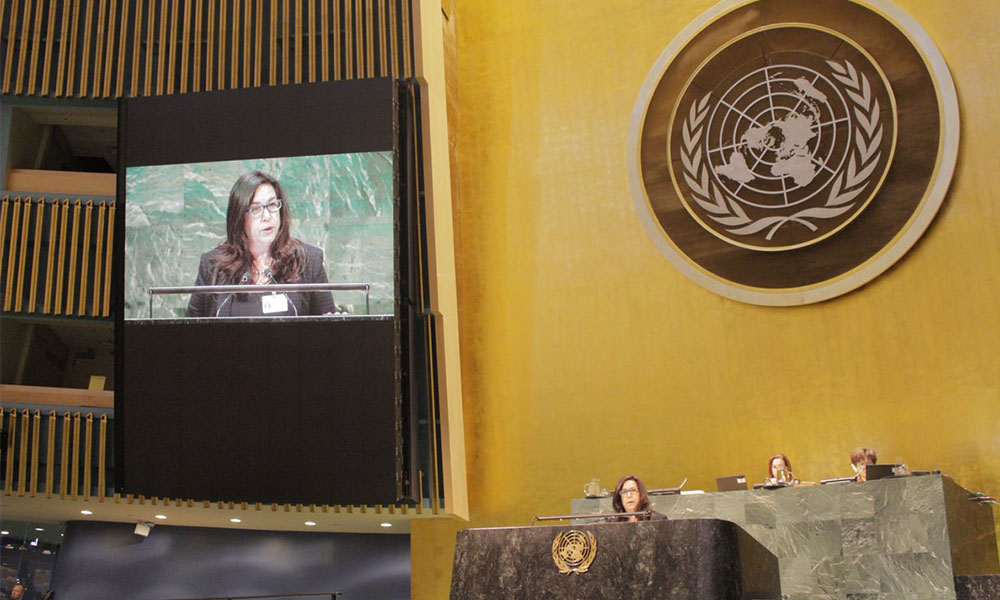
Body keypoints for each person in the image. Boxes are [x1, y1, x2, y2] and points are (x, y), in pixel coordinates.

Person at [187, 171, 335, 317]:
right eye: (256, 209)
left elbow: (327, 324)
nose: (267, 216)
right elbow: (190, 326)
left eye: (272, 204)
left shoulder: (308, 261)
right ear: (239, 216)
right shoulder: (212, 266)